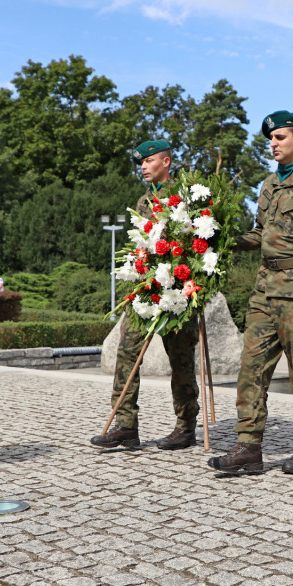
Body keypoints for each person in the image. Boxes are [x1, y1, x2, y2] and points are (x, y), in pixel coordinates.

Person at [209, 111, 293, 475]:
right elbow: (260, 234)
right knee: (250, 369)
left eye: (280, 137)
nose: (273, 143)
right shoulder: (268, 185)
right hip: (264, 292)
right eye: (271, 138)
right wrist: (224, 240)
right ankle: (248, 447)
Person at [90, 139, 200, 453]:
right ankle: (126, 425)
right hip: (148, 288)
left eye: (148, 161)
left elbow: (201, 239)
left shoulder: (187, 196)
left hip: (180, 289)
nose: (143, 167)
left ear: (166, 162)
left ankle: (185, 426)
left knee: (180, 360)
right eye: (141, 163)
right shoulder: (143, 201)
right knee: (127, 351)